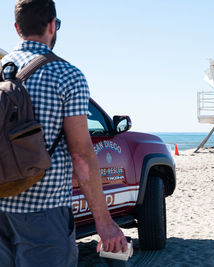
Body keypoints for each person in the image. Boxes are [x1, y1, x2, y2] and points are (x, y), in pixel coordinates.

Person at [0, 1, 127, 266]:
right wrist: (104, 223)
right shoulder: (66, 75)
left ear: (16, 28)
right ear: (52, 25)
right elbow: (81, 155)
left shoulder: (1, 70)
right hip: (44, 213)